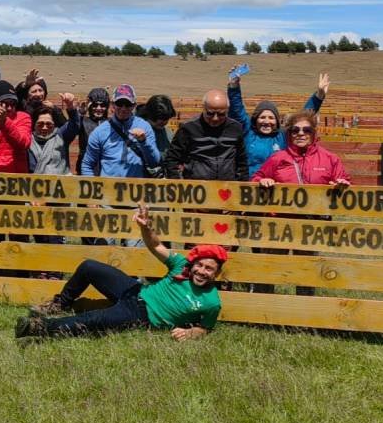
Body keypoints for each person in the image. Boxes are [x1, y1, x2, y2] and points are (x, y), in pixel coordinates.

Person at [15, 203, 227, 340]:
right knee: (89, 266)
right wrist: (146, 227)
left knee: (93, 320)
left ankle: (39, 328)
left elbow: (206, 328)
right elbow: (156, 246)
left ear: (216, 274)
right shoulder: (181, 265)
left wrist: (190, 332)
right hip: (136, 291)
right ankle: (60, 304)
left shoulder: (211, 302)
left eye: (209, 269)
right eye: (200, 265)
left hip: (142, 316)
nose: (201, 271)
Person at [251, 110, 350, 295]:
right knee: (271, 265)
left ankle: (305, 309)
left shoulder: (330, 159)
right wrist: (262, 182)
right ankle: (263, 307)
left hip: (311, 225)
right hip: (280, 223)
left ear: (314, 133)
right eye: (295, 130)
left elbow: (343, 180)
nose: (301, 134)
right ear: (289, 134)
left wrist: (341, 184)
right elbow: (257, 178)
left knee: (307, 268)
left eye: (306, 130)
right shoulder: (278, 158)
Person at [228, 70, 329, 177]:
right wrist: (234, 87)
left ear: (276, 121)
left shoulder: (282, 136)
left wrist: (318, 97)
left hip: (276, 186)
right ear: (255, 119)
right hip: (249, 184)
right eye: (262, 117)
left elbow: (303, 117)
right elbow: (237, 110)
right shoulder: (248, 133)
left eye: (271, 118)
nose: (266, 122)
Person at [164, 89, 248, 181]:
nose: (215, 118)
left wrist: (241, 185)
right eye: (210, 113)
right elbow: (172, 159)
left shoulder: (235, 128)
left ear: (227, 110)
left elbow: (242, 162)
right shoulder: (188, 128)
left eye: (221, 114)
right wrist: (179, 184)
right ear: (203, 108)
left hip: (227, 187)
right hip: (196, 187)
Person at [80, 84, 159, 178]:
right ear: (113, 104)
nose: (123, 108)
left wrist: (143, 142)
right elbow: (87, 165)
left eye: (128, 104)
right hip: (108, 190)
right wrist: (94, 189)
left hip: (135, 189)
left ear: (134, 105)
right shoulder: (100, 132)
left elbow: (154, 162)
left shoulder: (144, 127)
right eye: (119, 104)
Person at [135, 94, 176, 177]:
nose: (164, 124)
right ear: (150, 116)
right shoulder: (134, 127)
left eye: (166, 120)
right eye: (161, 122)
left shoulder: (167, 133)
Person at [75, 87, 110, 174]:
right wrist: (79, 114)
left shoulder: (112, 124)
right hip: (85, 171)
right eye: (94, 105)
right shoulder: (83, 121)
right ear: (89, 106)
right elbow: (71, 128)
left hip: (108, 171)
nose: (98, 108)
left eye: (102, 105)